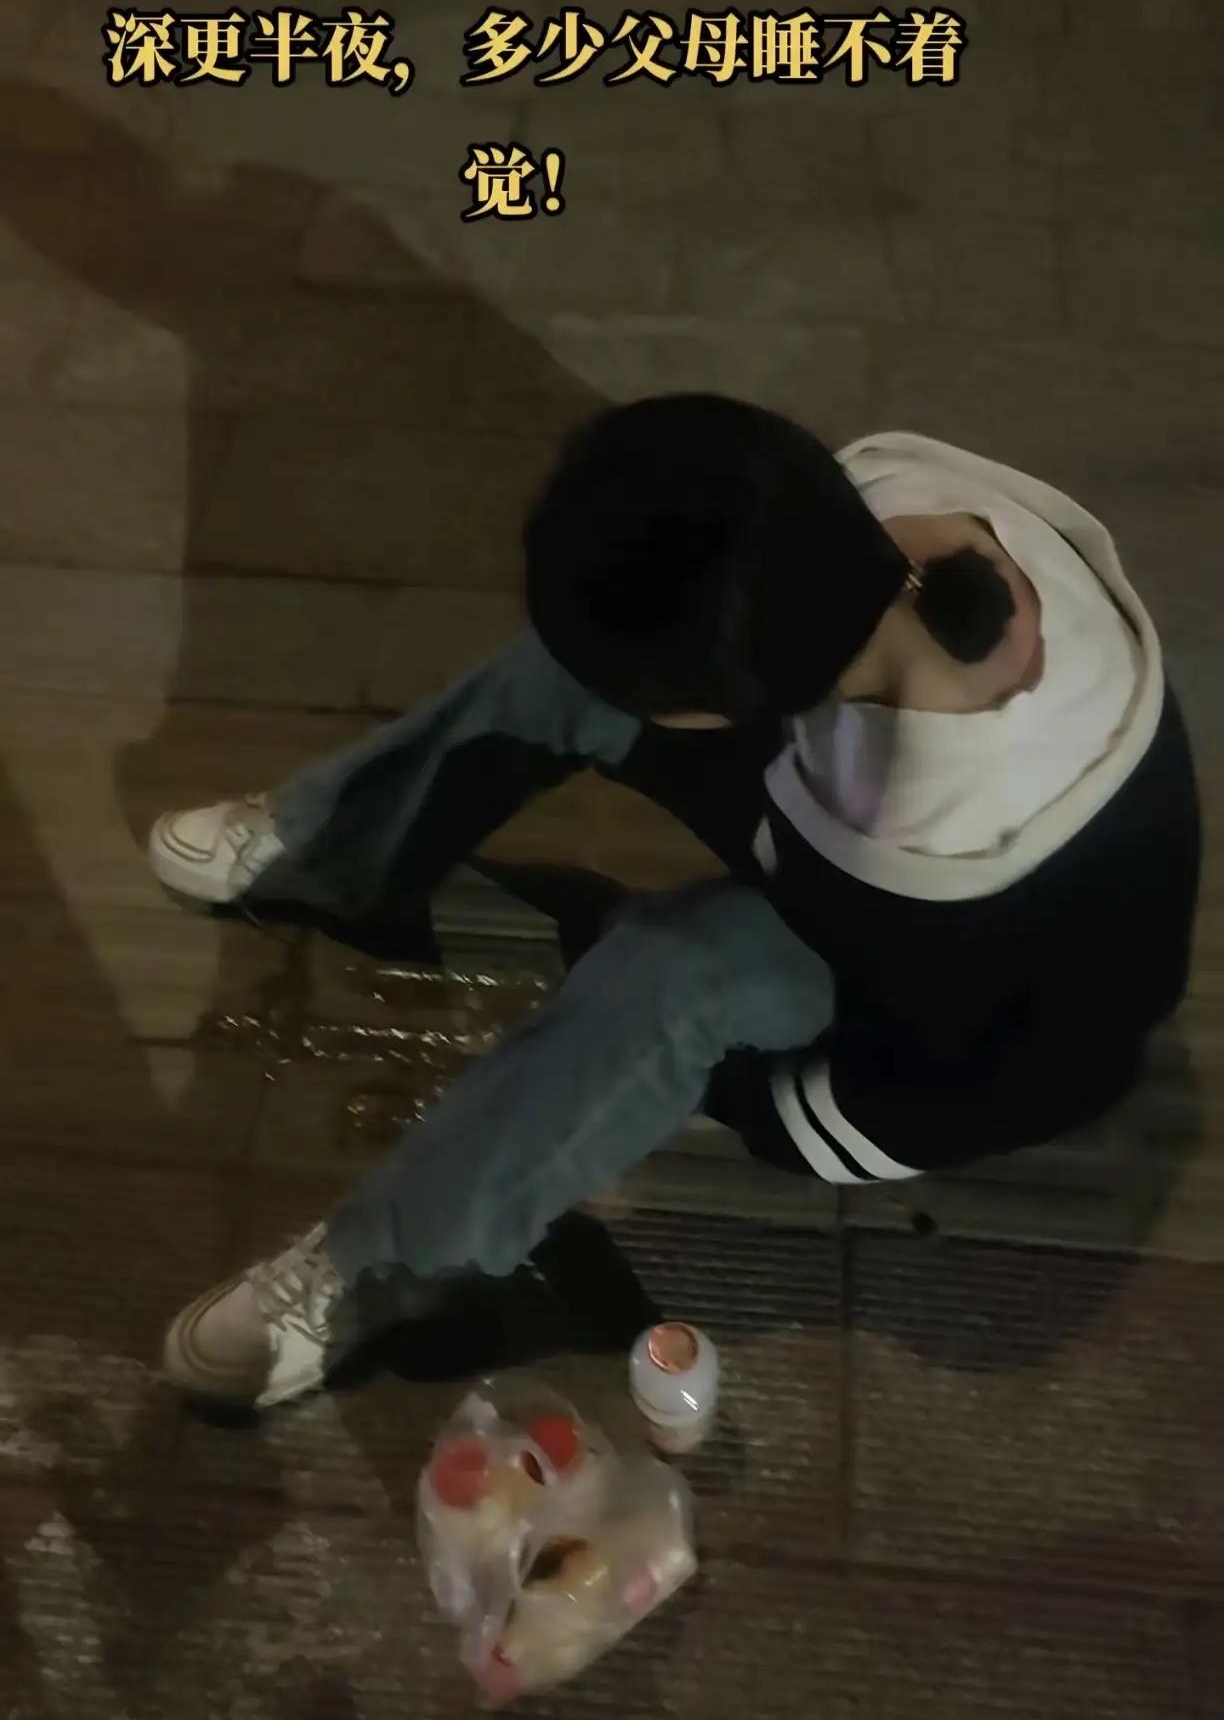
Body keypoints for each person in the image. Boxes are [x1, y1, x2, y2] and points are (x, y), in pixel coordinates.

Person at [156, 396, 1200, 1408]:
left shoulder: (943, 837)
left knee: (671, 970)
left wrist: (787, 1110)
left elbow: (976, 1063)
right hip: (849, 834)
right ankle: (339, 845)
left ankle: (391, 1259)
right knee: (576, 665)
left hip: (948, 1030)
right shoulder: (875, 511)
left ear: (725, 709)